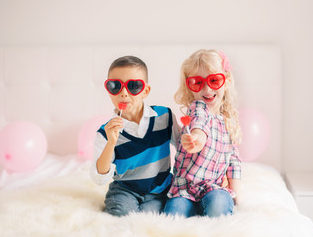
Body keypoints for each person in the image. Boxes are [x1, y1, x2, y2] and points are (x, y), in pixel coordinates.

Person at [90, 55, 180, 217]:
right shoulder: (105, 132)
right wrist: (111, 142)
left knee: (149, 217)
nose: (124, 93)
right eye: (115, 86)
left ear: (145, 91)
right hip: (125, 190)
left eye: (133, 86)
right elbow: (99, 178)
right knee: (121, 214)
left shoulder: (164, 116)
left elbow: (183, 148)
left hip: (159, 189)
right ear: (109, 91)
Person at [163, 49, 242, 218]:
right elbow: (200, 125)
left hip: (213, 187)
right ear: (189, 86)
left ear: (226, 81)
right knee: (172, 216)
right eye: (197, 83)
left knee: (219, 207)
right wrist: (197, 139)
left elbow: (233, 162)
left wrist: (237, 195)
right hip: (184, 188)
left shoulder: (228, 121)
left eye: (214, 80)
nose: (206, 89)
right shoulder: (198, 108)